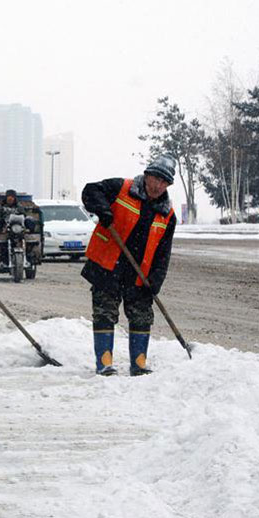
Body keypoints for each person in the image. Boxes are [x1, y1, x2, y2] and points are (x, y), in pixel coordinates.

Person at [80, 154, 177, 376]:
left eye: (164, 182)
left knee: (142, 315)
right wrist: (103, 209)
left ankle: (139, 364)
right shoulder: (121, 188)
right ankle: (104, 364)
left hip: (138, 274)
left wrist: (156, 280)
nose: (158, 186)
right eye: (156, 179)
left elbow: (163, 254)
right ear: (147, 175)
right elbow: (90, 191)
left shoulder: (167, 214)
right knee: (105, 313)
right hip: (107, 266)